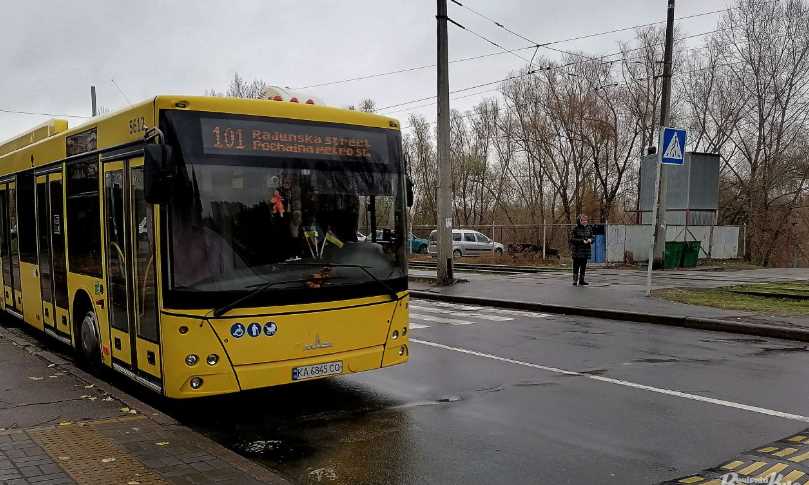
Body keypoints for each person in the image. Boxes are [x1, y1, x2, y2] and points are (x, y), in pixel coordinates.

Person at [569, 214, 593, 286]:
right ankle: (575, 280)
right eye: (583, 220)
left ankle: (582, 280)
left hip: (586, 251)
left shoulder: (589, 228)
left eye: (586, 220)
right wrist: (582, 241)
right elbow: (571, 239)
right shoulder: (575, 229)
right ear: (579, 221)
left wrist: (590, 240)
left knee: (583, 266)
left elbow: (592, 237)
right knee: (576, 266)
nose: (585, 222)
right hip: (577, 251)